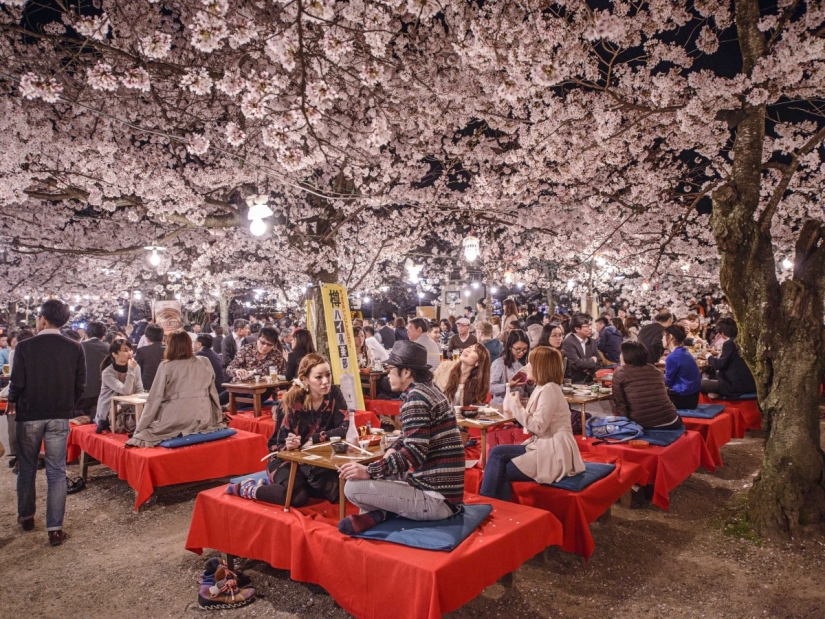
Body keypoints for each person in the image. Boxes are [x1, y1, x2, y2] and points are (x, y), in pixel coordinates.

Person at [337, 340, 465, 534]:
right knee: (380, 472)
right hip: (443, 490)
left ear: (406, 372)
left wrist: (370, 470)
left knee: (352, 488)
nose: (387, 375)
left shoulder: (416, 399)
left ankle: (381, 516)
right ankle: (380, 515)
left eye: (390, 369)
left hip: (437, 499)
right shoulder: (429, 390)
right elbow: (409, 438)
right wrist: (393, 449)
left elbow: (414, 453)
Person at [6, 300, 85, 545]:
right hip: (59, 414)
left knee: (27, 467)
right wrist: (67, 404)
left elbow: (17, 381)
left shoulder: (25, 346)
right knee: (56, 471)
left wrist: (12, 401)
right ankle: (55, 529)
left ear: (42, 319)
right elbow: (80, 384)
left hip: (30, 413)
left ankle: (27, 516)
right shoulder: (74, 347)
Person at [228, 353, 349, 506]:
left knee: (339, 490)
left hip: (315, 459)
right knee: (297, 496)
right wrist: (290, 445)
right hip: (284, 458)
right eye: (318, 377)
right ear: (305, 379)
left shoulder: (334, 393)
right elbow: (279, 446)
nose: (325, 381)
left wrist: (314, 438)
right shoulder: (291, 401)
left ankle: (305, 483)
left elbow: (346, 427)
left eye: (328, 375)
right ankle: (249, 489)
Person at [480, 347, 585, 500]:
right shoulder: (544, 387)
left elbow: (538, 426)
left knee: (498, 465)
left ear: (540, 367)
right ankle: (494, 506)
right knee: (497, 453)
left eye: (530, 362)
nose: (526, 366)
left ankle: (487, 503)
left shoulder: (549, 389)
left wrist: (515, 405)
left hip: (553, 449)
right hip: (545, 444)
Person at [126, 332, 226, 447]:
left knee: (146, 432)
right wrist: (217, 418)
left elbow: (154, 399)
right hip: (203, 416)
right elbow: (212, 392)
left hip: (176, 418)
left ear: (170, 346)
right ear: (189, 344)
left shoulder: (166, 366)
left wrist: (140, 428)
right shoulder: (204, 361)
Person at [611, 341, 683, 430]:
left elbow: (621, 404)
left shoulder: (620, 373)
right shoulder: (655, 370)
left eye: (621, 353)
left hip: (645, 424)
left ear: (626, 356)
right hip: (672, 420)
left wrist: (626, 426)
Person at [94, 338, 144, 433]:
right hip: (109, 410)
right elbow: (126, 391)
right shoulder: (108, 372)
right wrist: (130, 370)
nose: (130, 353)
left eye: (130, 349)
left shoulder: (135, 367)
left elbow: (139, 389)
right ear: (114, 354)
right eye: (125, 350)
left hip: (128, 407)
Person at [701, 317, 756, 398]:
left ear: (722, 332)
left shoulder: (730, 343)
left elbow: (719, 365)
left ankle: (719, 394)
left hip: (736, 384)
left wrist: (707, 355)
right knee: (709, 374)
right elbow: (734, 357)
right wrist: (718, 353)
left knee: (702, 384)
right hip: (748, 381)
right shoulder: (741, 340)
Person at [433, 342, 491, 406]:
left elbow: (477, 409)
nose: (467, 350)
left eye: (474, 351)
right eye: (469, 347)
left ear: (478, 362)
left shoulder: (479, 384)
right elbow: (429, 388)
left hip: (462, 415)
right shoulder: (445, 366)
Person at [74, 321, 110, 418]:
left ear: (86, 333)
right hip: (101, 392)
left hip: (81, 393)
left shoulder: (79, 347)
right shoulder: (109, 348)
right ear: (104, 335)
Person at [663, 325, 702, 409]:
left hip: (682, 398)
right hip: (693, 396)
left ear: (670, 337)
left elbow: (668, 382)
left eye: (663, 335)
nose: (661, 339)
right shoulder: (684, 351)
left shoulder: (672, 357)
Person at [489, 330, 530, 405]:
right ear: (510, 347)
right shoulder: (499, 363)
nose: (521, 352)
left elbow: (529, 391)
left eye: (524, 349)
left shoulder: (527, 364)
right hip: (501, 405)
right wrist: (508, 385)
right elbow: (491, 388)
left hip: (520, 405)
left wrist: (530, 383)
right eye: (518, 349)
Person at [561, 313, 601, 384]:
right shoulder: (568, 342)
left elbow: (599, 362)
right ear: (577, 329)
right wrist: (592, 360)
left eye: (591, 325)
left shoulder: (592, 341)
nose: (590, 328)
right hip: (575, 382)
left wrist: (589, 370)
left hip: (591, 381)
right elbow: (577, 363)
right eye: (587, 326)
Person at [134, 323, 165, 390]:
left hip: (148, 387)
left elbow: (137, 370)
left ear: (147, 338)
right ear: (162, 337)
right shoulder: (171, 350)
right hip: (168, 386)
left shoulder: (142, 351)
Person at [194, 333, 225, 398]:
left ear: (199, 344)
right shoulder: (214, 353)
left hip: (212, 389)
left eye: (194, 342)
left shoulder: (200, 354)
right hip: (221, 388)